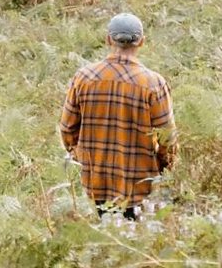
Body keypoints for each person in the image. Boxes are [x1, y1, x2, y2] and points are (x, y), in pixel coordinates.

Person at [60, 13, 177, 220]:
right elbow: (167, 137)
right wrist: (165, 165)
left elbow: (68, 128)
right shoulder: (154, 83)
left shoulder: (84, 77)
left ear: (108, 39)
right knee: (137, 241)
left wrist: (81, 157)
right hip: (140, 183)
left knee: (106, 237)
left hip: (96, 181)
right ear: (141, 41)